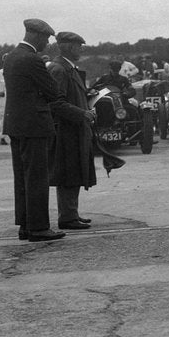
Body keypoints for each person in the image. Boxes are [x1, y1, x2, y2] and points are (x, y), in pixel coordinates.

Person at [3, 18, 89, 242]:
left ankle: (25, 225)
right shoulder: (33, 61)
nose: (47, 43)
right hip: (35, 126)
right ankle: (39, 227)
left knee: (22, 179)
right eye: (46, 39)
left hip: (16, 125)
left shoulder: (11, 57)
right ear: (37, 36)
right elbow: (53, 92)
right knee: (37, 179)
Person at [48, 31, 99, 231]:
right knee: (68, 173)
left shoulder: (66, 68)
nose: (81, 49)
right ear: (69, 47)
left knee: (74, 171)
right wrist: (82, 114)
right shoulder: (59, 69)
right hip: (66, 131)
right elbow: (56, 103)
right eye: (79, 45)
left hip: (73, 129)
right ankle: (67, 217)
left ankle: (71, 213)